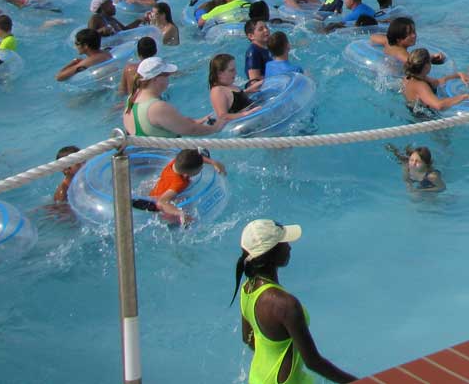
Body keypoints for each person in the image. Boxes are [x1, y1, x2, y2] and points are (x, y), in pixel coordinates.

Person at [233, 219, 359, 384]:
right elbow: (313, 362)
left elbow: (248, 339)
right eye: (284, 242)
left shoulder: (247, 289)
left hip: (258, 378)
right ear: (272, 254)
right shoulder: (285, 305)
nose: (289, 246)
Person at [123, 57, 233, 137]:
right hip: (164, 161)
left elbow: (168, 122)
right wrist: (215, 128)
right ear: (155, 79)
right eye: (166, 75)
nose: (169, 78)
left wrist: (199, 120)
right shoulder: (157, 107)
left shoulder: (132, 98)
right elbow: (191, 130)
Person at [137, 148, 227, 226]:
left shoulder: (174, 163)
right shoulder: (180, 183)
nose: (202, 168)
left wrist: (213, 162)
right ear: (187, 175)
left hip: (154, 191)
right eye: (200, 168)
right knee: (191, 221)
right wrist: (180, 213)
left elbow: (193, 158)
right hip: (160, 208)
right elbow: (162, 202)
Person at [401, 48, 469, 116]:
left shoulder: (409, 77)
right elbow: (439, 106)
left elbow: (438, 82)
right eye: (430, 62)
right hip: (425, 120)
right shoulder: (421, 86)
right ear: (426, 66)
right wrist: (464, 96)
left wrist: (458, 74)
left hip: (416, 114)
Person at [245, 19, 273, 85]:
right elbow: (254, 81)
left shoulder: (269, 46)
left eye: (266, 27)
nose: (266, 30)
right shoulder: (253, 52)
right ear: (251, 36)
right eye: (261, 29)